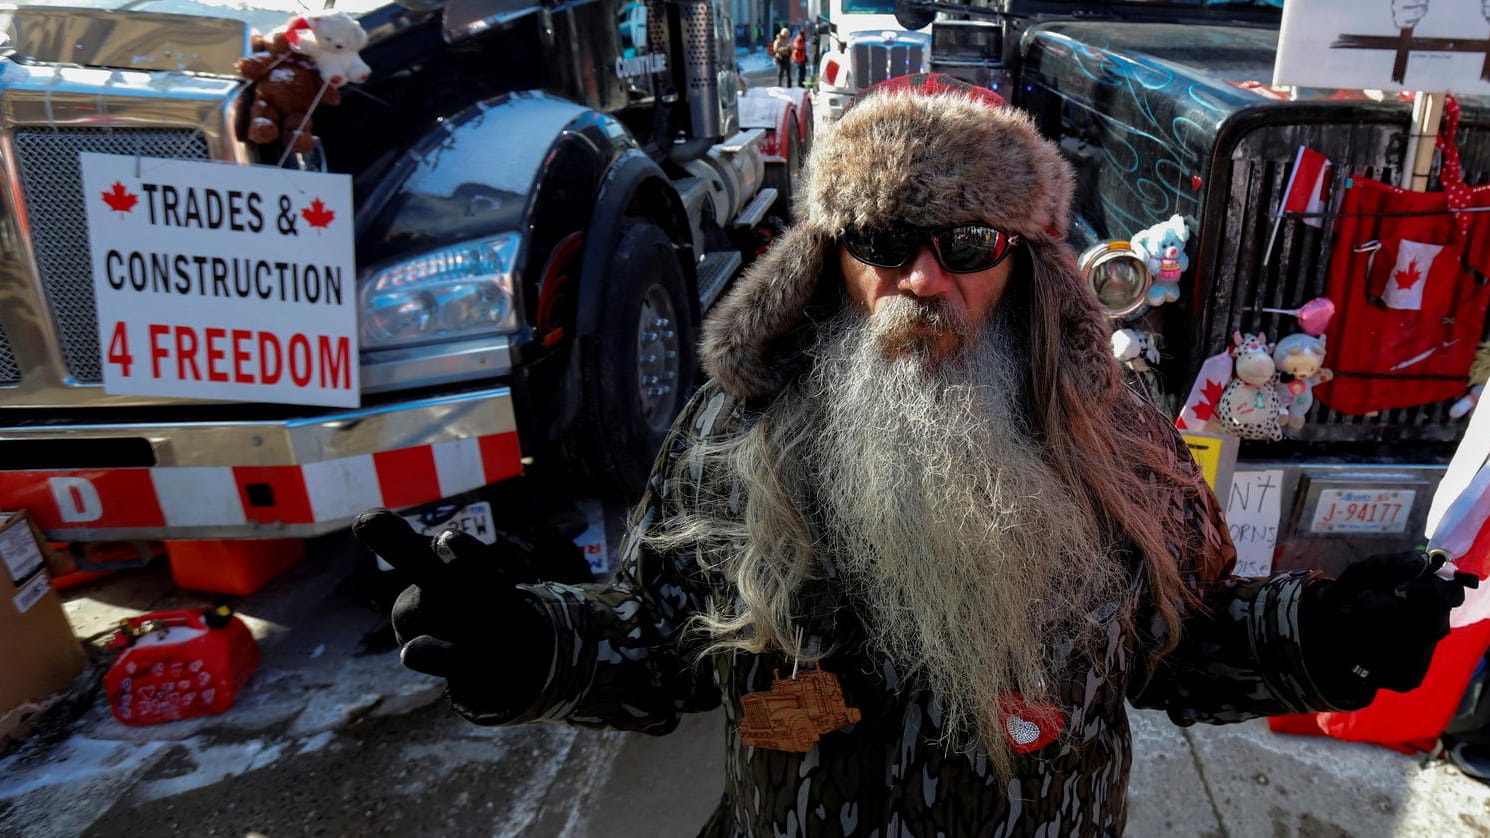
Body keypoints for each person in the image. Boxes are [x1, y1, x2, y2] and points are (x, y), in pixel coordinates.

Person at [355, 74, 1470, 835]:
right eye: (885, 240)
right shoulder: (732, 433)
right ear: (830, 259)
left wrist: (1318, 633)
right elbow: (656, 646)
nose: (923, 279)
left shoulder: (1112, 432)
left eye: (968, 242)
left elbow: (1179, 637)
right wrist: (524, 642)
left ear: (1023, 259)